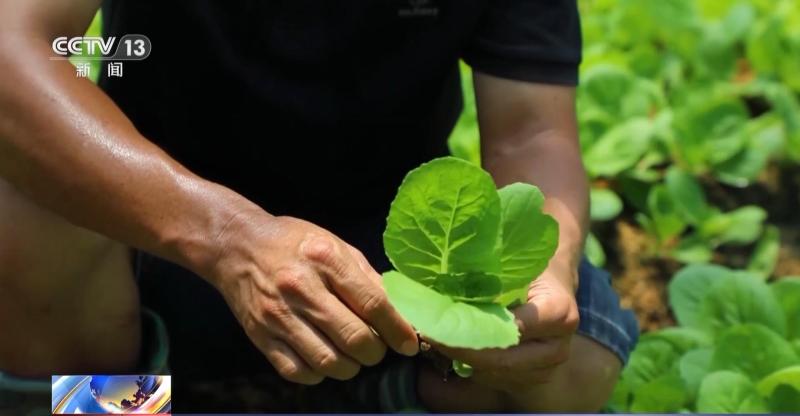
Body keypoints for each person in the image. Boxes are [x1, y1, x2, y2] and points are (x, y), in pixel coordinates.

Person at [0, 0, 639, 412]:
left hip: (387, 285)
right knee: (22, 205)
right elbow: (11, 52)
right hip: (155, 243)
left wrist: (542, 278)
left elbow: (534, 133)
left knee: (576, 359)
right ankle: (124, 404)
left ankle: (379, 398)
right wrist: (228, 239)